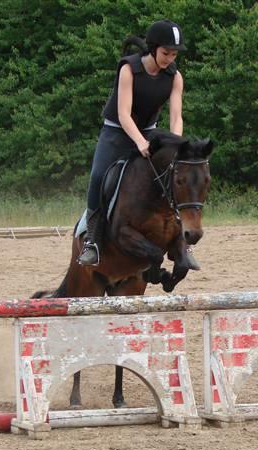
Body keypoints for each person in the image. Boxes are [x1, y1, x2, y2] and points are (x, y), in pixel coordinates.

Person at [78, 20, 188, 266]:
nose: (170, 58)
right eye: (166, 53)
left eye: (174, 54)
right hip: (116, 133)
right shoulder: (129, 69)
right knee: (97, 177)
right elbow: (124, 115)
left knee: (172, 175)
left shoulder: (175, 76)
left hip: (150, 132)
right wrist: (139, 142)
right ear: (152, 48)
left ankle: (181, 237)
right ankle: (92, 241)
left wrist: (175, 145)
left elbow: (176, 116)